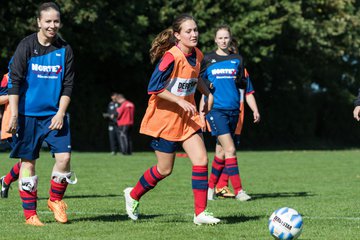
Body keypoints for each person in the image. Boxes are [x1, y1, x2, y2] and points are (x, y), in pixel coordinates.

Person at [123, 13, 220, 225]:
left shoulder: (198, 54)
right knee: (164, 169)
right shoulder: (171, 56)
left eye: (195, 30)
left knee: (201, 160)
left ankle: (200, 213)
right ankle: (133, 195)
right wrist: (179, 101)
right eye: (188, 31)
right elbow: (154, 88)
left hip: (187, 119)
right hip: (164, 120)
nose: (194, 34)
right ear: (177, 35)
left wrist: (207, 93)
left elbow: (196, 78)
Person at [7, 2, 77, 226]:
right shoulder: (26, 46)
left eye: (56, 21)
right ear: (39, 22)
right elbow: (14, 82)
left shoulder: (64, 49)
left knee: (64, 159)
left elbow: (68, 85)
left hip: (54, 115)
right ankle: (30, 216)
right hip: (27, 116)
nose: (52, 25)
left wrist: (60, 112)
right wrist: (15, 115)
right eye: (48, 21)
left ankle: (55, 200)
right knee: (28, 162)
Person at [200, 25, 260, 202]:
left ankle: (210, 188)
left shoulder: (237, 60)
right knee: (231, 149)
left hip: (234, 111)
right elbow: (201, 86)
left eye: (226, 38)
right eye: (220, 38)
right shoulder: (208, 59)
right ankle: (239, 190)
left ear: (230, 39)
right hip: (216, 111)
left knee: (220, 153)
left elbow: (245, 87)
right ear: (215, 40)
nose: (223, 41)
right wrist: (201, 111)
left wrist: (254, 109)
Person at [213, 68, 261, 199]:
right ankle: (223, 188)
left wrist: (255, 110)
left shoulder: (242, 70)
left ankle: (217, 187)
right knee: (228, 150)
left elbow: (248, 92)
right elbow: (207, 89)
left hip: (237, 114)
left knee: (223, 152)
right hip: (220, 112)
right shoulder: (216, 66)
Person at [0, 73, 21, 199]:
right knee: (26, 159)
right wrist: (13, 95)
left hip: (31, 121)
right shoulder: (8, 77)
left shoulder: (36, 73)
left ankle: (6, 180)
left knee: (28, 159)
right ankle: (26, 194)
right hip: (13, 124)